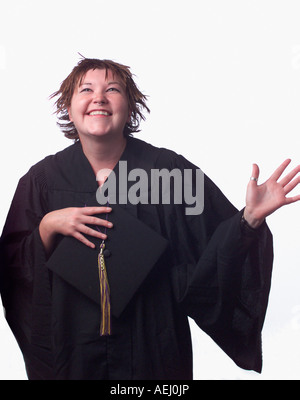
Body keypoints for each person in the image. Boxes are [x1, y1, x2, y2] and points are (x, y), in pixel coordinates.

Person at [0, 58, 299, 380]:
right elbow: (12, 269)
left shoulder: (170, 173)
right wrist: (46, 228)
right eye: (86, 89)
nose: (99, 97)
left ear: (130, 108)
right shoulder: (42, 180)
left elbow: (214, 256)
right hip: (72, 349)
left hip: (153, 346)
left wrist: (249, 219)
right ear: (69, 108)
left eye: (112, 89)